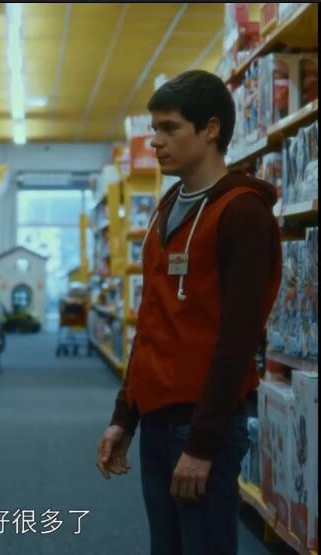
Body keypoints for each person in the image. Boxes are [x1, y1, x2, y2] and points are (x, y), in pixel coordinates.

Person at [96, 70, 282, 555]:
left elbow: (238, 340)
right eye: (154, 128)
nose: (155, 141)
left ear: (211, 129)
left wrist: (201, 445)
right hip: (157, 422)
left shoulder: (243, 214)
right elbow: (152, 322)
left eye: (169, 128)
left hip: (204, 426)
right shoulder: (167, 208)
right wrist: (124, 417)